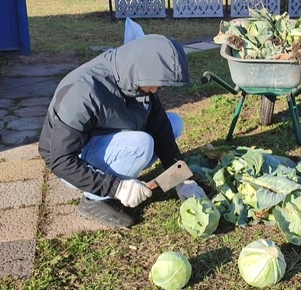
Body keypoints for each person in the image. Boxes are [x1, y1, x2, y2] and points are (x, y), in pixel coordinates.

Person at [38, 34, 207, 228]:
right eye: (154, 83)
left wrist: (181, 178)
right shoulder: (84, 93)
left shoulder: (137, 80)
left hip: (100, 139)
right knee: (142, 145)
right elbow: (60, 161)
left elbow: (160, 127)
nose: (155, 89)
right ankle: (93, 200)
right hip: (72, 162)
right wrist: (116, 187)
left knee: (173, 122)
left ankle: (120, 179)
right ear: (141, 71)